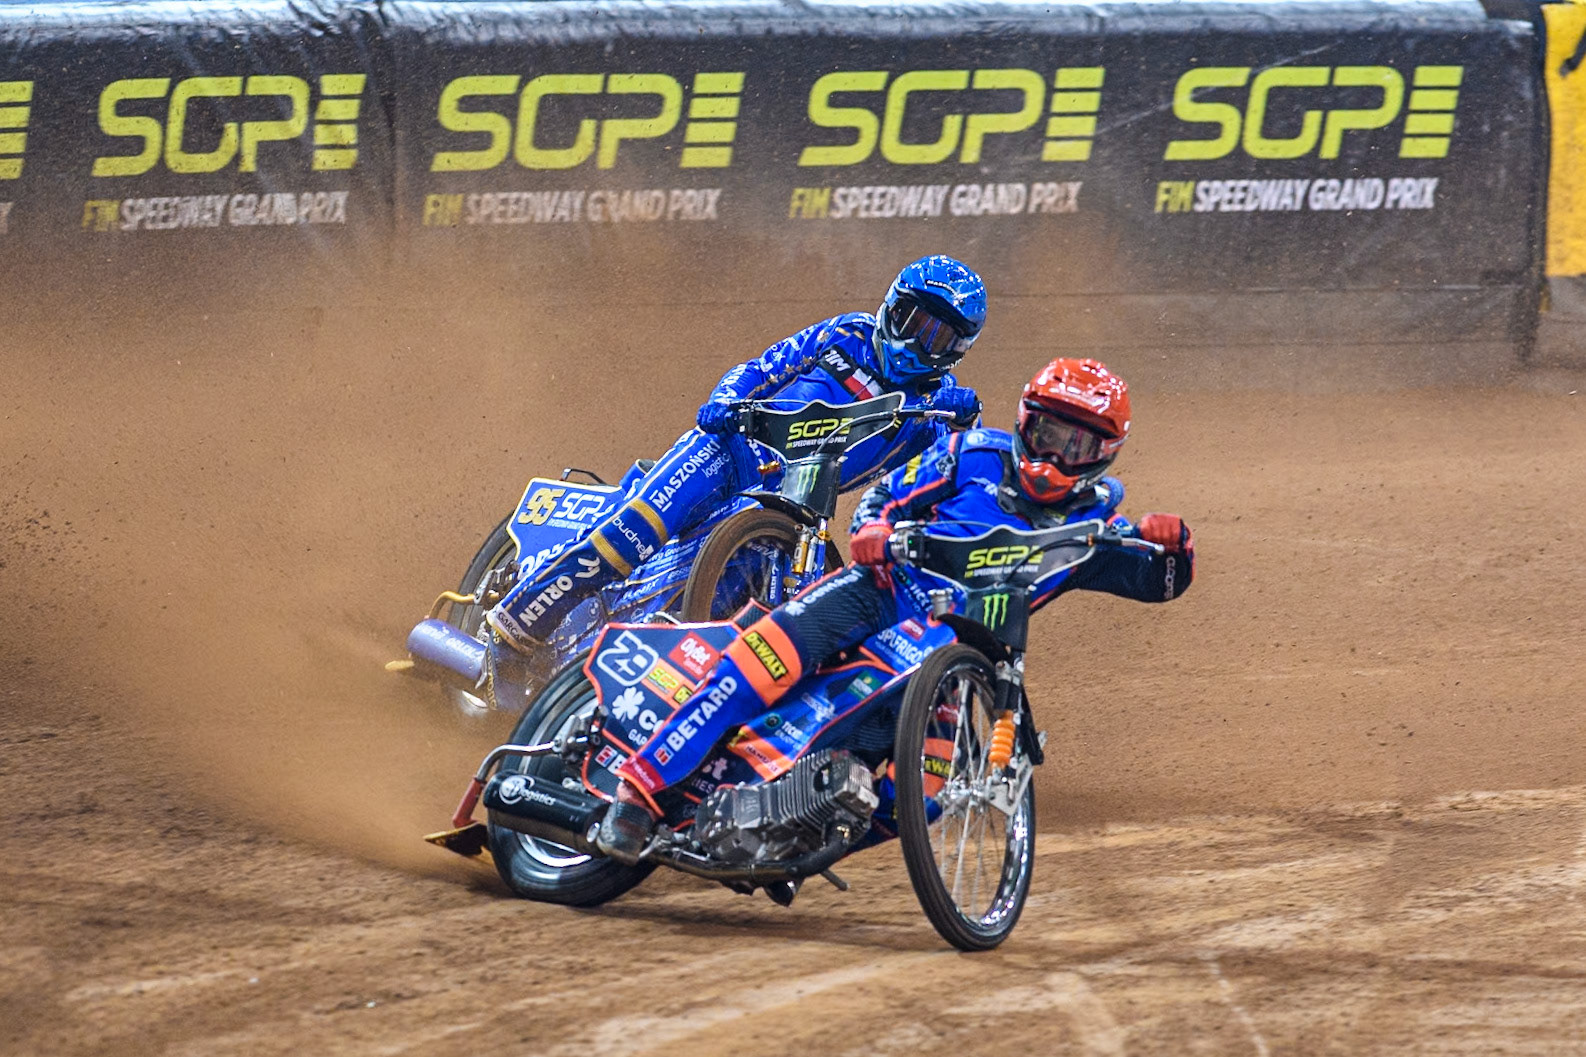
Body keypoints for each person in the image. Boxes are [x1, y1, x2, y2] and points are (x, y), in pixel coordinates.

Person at [596, 357, 1195, 862]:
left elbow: (1158, 581)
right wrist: (875, 529)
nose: (1056, 455)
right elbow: (884, 497)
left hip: (953, 659)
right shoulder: (972, 453)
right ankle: (638, 791)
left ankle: (790, 835)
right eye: (1047, 434)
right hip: (878, 593)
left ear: (1104, 454)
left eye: (1077, 444)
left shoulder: (1097, 527)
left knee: (925, 799)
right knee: (757, 665)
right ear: (1023, 423)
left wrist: (1174, 544)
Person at [486, 255, 988, 653]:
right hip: (727, 453)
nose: (916, 340)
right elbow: (764, 367)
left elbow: (959, 483)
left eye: (936, 336)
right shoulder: (848, 334)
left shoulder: (937, 411)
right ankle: (511, 637)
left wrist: (967, 425)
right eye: (912, 320)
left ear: (956, 349)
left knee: (725, 606)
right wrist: (726, 400)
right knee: (629, 539)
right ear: (891, 306)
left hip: (788, 511)